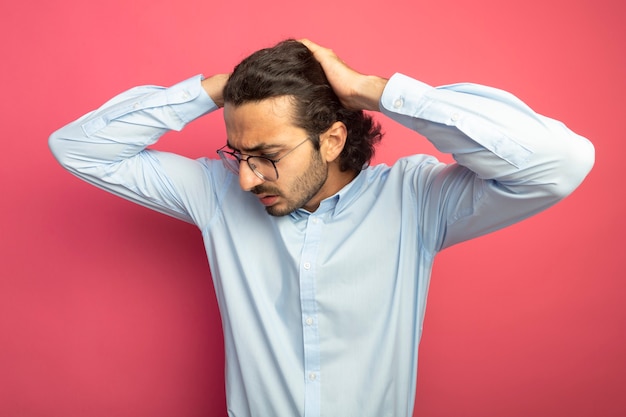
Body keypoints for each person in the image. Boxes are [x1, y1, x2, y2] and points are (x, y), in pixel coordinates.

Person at [49, 39, 594, 417]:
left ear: (331, 140)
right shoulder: (213, 194)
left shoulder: (416, 201)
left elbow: (559, 162)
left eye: (266, 155)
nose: (244, 178)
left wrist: (372, 90)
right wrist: (216, 90)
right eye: (237, 153)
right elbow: (76, 148)